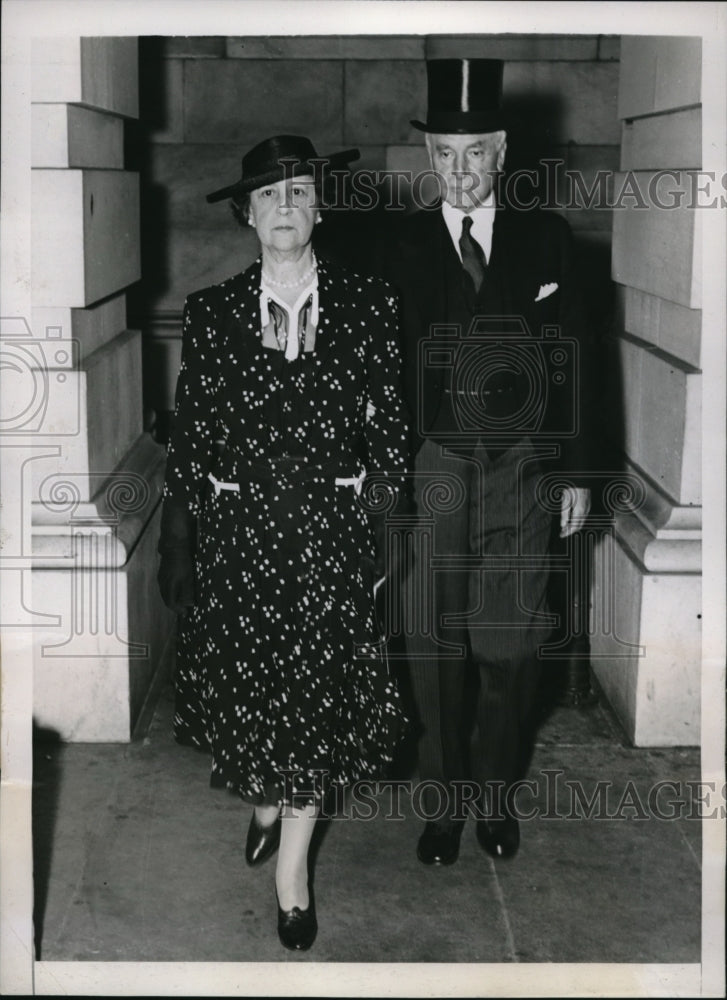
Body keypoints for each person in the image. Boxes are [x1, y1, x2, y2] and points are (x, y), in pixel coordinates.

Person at [156, 134, 409, 951]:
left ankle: (291, 874)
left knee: (313, 704)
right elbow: (191, 439)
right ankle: (264, 799)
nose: (286, 209)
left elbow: (392, 437)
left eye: (299, 192)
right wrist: (181, 543)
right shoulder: (212, 312)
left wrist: (379, 530)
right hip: (244, 541)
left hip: (331, 540)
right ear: (246, 215)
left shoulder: (369, 305)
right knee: (255, 689)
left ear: (320, 206)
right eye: (269, 197)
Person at [383, 59, 594, 864]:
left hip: (523, 468)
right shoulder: (395, 243)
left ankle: (495, 797)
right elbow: (373, 363)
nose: (460, 171)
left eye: (474, 153)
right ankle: (441, 804)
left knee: (507, 644)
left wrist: (576, 470)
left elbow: (578, 354)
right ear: (428, 157)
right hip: (432, 463)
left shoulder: (546, 238)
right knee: (433, 645)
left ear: (501, 151)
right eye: (444, 154)